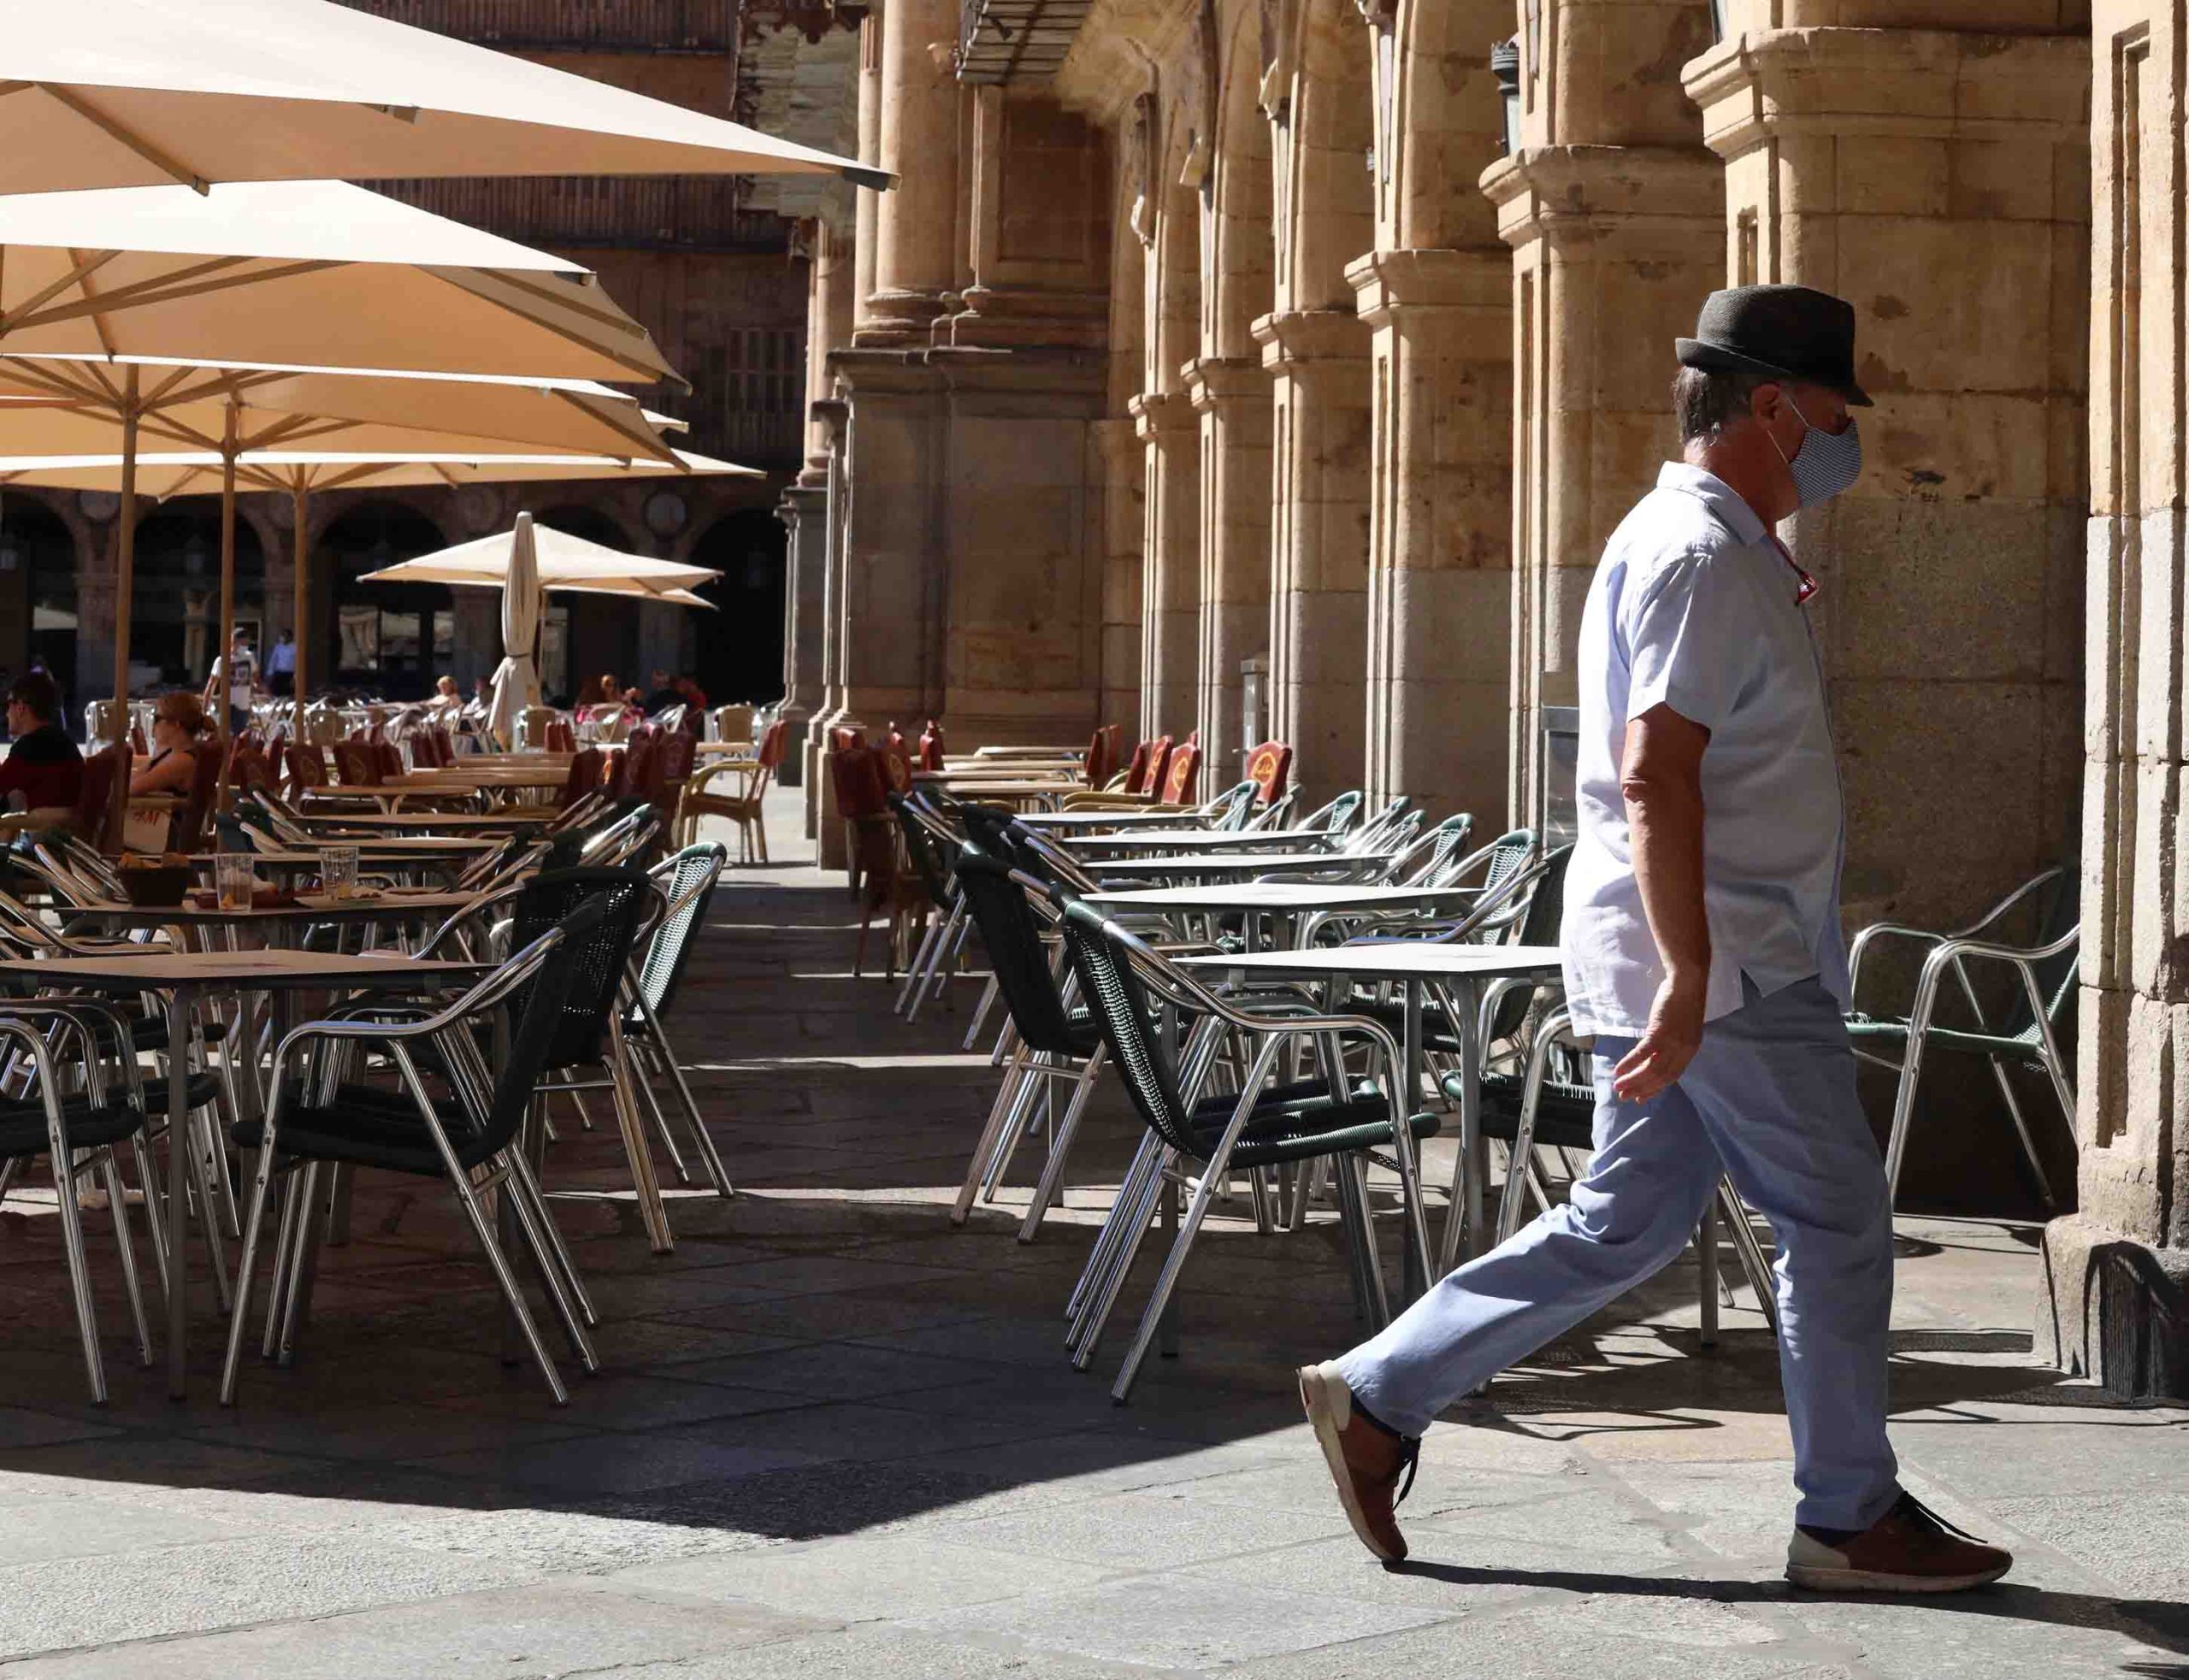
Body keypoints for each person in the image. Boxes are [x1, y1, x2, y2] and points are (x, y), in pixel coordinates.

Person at [1296, 286, 2013, 1595]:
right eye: (1835, 407)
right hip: (1727, 960)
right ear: (1772, 407)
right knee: (1839, 1220)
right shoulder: (1699, 554)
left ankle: (1380, 1389)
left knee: (1626, 1218)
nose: (1845, 434)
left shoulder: (1704, 539)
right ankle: (1848, 1518)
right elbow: (1655, 773)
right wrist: (1691, 977)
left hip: (1700, 951)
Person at [0, 669, 83, 818]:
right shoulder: (66, 742)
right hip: (69, 835)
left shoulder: (28, 748)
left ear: (21, 708)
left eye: (9, 704)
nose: (7, 713)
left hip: (41, 836)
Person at [131, 691, 209, 797]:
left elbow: (132, 789)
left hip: (164, 810)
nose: (154, 726)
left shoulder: (183, 761)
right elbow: (131, 781)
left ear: (177, 723)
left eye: (157, 719)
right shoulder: (169, 753)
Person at [265, 629, 297, 699]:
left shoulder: (295, 647)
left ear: (290, 637)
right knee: (276, 694)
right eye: (282, 635)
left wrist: (295, 677)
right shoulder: (278, 647)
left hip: (289, 674)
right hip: (278, 673)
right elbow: (273, 660)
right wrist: (270, 673)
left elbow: (297, 663)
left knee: (288, 695)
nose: (283, 638)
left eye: (285, 636)